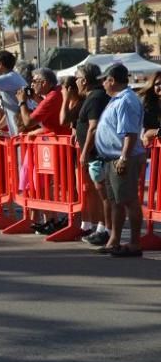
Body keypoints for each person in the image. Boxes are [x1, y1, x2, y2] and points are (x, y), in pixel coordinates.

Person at [93, 63, 145, 257]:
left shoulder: (126, 101)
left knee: (129, 200)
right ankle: (114, 240)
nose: (103, 84)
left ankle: (134, 243)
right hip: (112, 158)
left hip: (123, 157)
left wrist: (124, 157)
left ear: (112, 80)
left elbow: (130, 133)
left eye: (104, 80)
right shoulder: (117, 99)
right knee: (116, 201)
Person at [72, 64, 111, 246]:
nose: (75, 83)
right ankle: (101, 229)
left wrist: (85, 151)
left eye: (77, 78)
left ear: (84, 80)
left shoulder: (95, 98)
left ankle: (106, 230)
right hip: (95, 154)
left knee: (103, 193)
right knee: (98, 193)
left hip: (97, 154)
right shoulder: (91, 97)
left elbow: (93, 127)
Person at [18, 68, 67, 135]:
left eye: (34, 81)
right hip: (61, 136)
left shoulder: (52, 97)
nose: (31, 84)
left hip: (60, 139)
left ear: (43, 83)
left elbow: (28, 122)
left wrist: (22, 102)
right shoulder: (58, 90)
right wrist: (35, 97)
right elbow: (50, 107)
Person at [139, 71, 160, 147]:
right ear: (152, 86)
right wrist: (157, 132)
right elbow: (144, 133)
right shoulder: (147, 105)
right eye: (157, 84)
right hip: (151, 149)